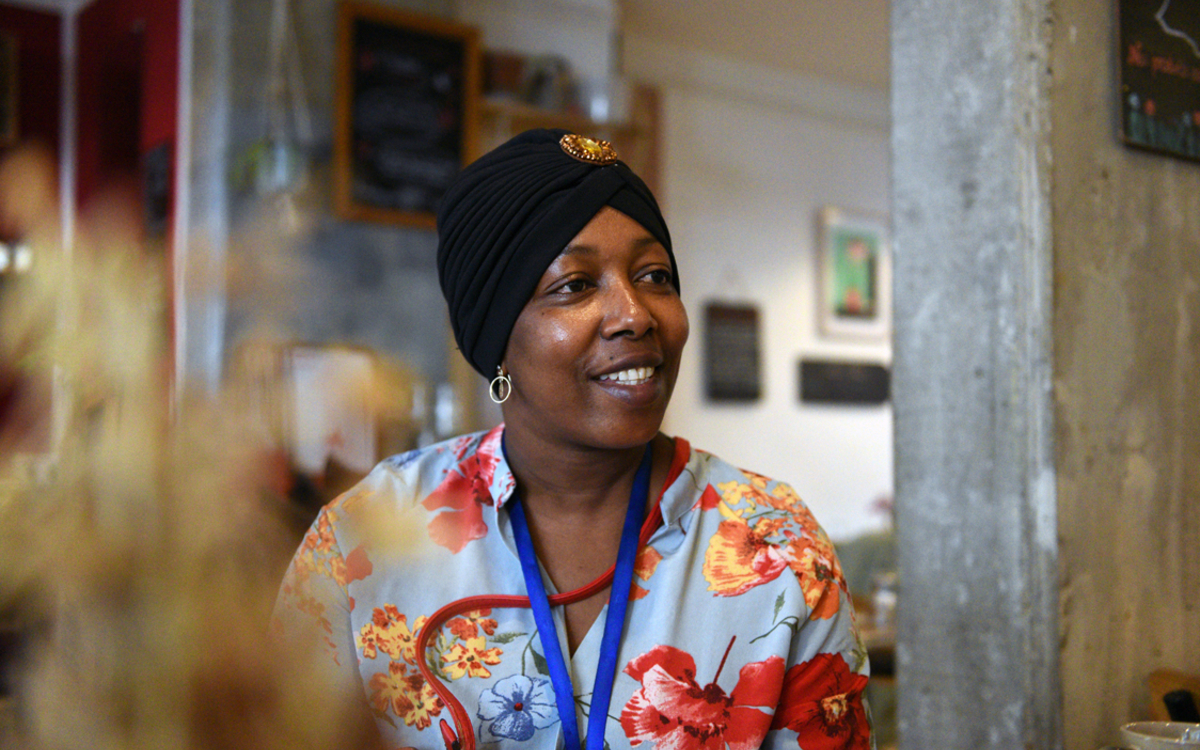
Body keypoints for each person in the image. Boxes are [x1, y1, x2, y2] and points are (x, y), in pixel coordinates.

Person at [273, 129, 872, 750]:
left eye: (655, 275)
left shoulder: (778, 545)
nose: (635, 313)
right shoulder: (363, 541)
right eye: (576, 285)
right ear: (496, 338)